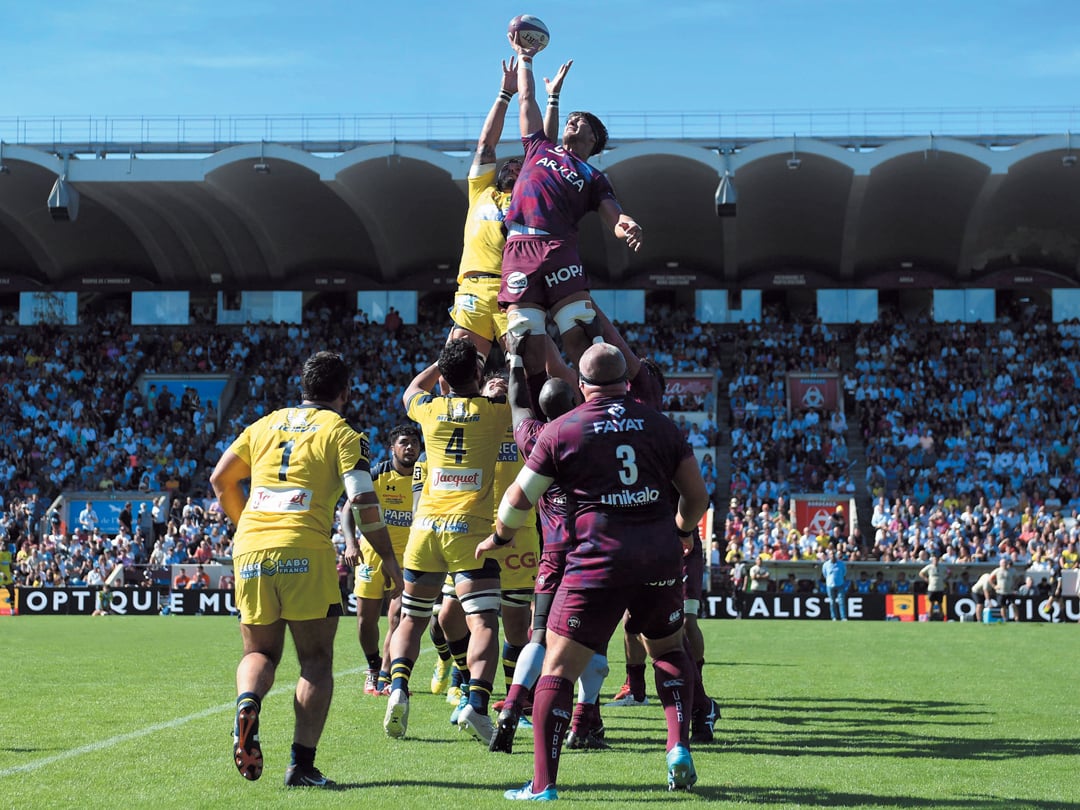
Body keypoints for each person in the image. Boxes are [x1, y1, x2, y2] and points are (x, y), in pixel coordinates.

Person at [478, 342, 709, 799]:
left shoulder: (562, 430)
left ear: (583, 385)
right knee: (668, 649)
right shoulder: (660, 425)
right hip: (659, 557)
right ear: (625, 382)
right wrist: (682, 532)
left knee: (557, 668)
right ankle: (677, 747)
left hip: (596, 561)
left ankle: (543, 784)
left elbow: (518, 499)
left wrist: (499, 538)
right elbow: (697, 496)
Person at [210, 350, 401, 788]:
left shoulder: (264, 424)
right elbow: (362, 500)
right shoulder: (343, 433)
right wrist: (389, 558)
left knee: (259, 653)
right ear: (345, 392)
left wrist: (247, 527)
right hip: (304, 549)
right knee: (315, 659)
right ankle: (301, 765)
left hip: (252, 548)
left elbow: (221, 479)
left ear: (303, 387)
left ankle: (247, 702)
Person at [382, 338, 511, 745]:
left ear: (443, 378)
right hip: (468, 531)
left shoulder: (430, 409)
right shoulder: (494, 412)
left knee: (411, 618)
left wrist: (441, 361)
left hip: (424, 530)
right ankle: (477, 704)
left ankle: (398, 688)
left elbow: (410, 390)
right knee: (483, 622)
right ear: (478, 374)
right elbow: (522, 397)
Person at [500, 37, 643, 377]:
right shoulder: (538, 147)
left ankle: (599, 400)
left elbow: (614, 215)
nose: (572, 121)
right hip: (520, 246)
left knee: (581, 334)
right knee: (524, 343)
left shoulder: (594, 176)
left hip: (559, 248)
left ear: (593, 139)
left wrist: (626, 225)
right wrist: (525, 59)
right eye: (571, 118)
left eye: (580, 121)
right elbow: (527, 99)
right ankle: (531, 408)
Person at [344, 423, 422, 696]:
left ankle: (386, 676)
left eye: (414, 443)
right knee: (365, 621)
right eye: (404, 442)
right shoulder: (377, 473)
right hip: (372, 556)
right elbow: (348, 509)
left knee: (398, 617)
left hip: (408, 558)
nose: (410, 447)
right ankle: (373, 666)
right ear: (392, 448)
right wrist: (351, 543)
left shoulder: (424, 476)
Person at [918, 554, 950, 620]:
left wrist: (945, 579)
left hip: (940, 588)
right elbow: (921, 573)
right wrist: (925, 579)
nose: (935, 561)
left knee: (940, 604)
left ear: (938, 560)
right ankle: (930, 617)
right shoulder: (929, 567)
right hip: (931, 588)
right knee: (931, 603)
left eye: (936, 560)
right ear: (932, 560)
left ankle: (942, 618)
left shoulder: (942, 567)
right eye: (934, 560)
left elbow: (949, 572)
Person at [988, 557, 1018, 622]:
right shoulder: (997, 571)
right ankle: (1004, 619)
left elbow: (1017, 578)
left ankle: (1017, 618)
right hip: (1001, 592)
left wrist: (1014, 585)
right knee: (1003, 606)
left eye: (1005, 563)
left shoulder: (1012, 570)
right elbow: (990, 579)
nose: (1004, 564)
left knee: (1013, 604)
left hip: (1010, 591)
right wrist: (994, 586)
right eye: (1003, 563)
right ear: (1000, 564)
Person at [821, 549, 848, 621]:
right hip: (830, 585)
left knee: (841, 601)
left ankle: (843, 617)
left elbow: (844, 573)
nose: (832, 555)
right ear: (829, 555)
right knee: (832, 602)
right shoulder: (826, 565)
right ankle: (834, 617)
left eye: (833, 554)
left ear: (835, 555)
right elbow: (825, 574)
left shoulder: (841, 564)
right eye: (831, 554)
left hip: (840, 584)